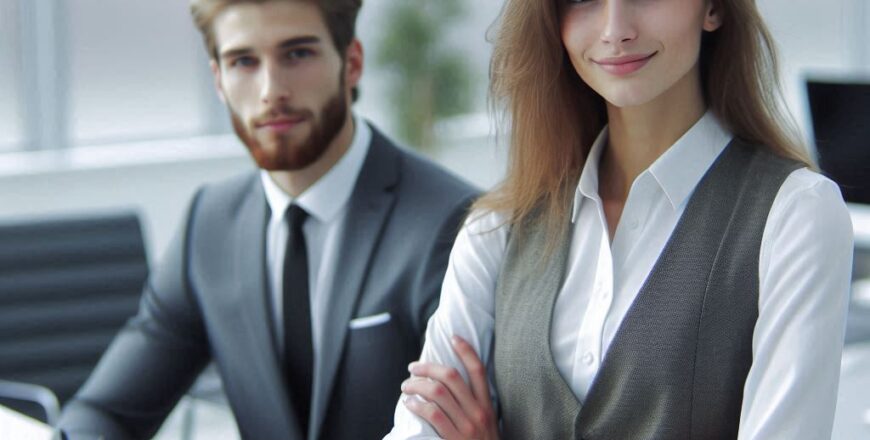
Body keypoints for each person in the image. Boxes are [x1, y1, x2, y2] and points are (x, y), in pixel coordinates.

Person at [387, 0, 853, 438]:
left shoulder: (795, 214)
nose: (615, 30)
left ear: (713, 7)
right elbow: (420, 425)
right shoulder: (498, 227)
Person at [57, 0, 478, 439]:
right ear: (218, 80)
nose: (271, 90)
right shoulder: (211, 224)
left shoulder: (453, 224)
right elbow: (105, 413)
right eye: (243, 61)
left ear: (351, 63)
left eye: (297, 54)